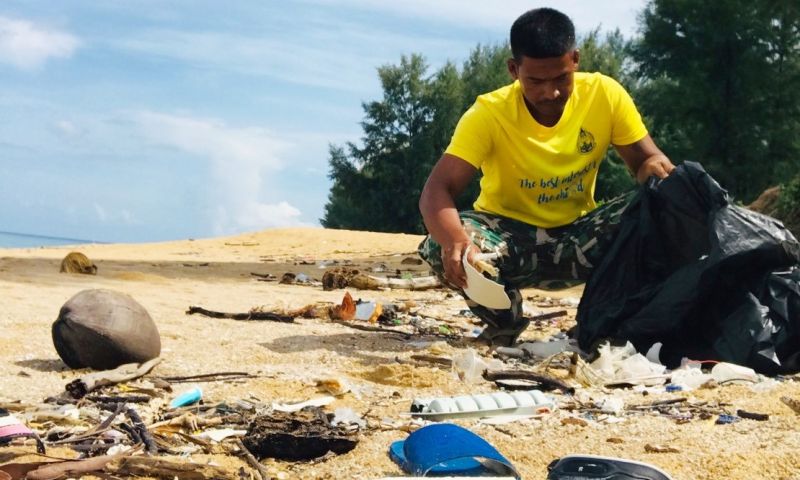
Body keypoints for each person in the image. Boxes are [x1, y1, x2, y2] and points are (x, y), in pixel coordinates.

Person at [418, 7, 675, 347]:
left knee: (665, 204)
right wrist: (456, 241)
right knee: (442, 243)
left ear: (575, 60)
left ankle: (611, 324)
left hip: (580, 240)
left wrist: (657, 171)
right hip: (509, 244)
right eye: (535, 81)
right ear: (514, 69)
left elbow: (647, 160)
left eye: (561, 79)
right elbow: (437, 190)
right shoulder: (488, 114)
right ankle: (504, 323)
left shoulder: (605, 95)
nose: (550, 93)